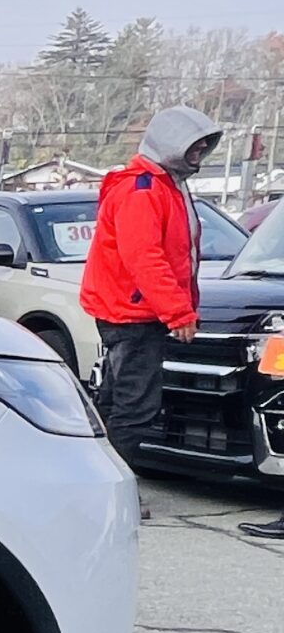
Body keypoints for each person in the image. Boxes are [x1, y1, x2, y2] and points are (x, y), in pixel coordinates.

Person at [81, 105, 223, 471]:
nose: (198, 155)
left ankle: (94, 480)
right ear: (170, 144)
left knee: (117, 402)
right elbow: (145, 257)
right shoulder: (144, 190)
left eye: (202, 147)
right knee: (135, 406)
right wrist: (177, 311)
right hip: (134, 315)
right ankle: (110, 488)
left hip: (133, 312)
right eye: (193, 147)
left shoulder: (161, 186)